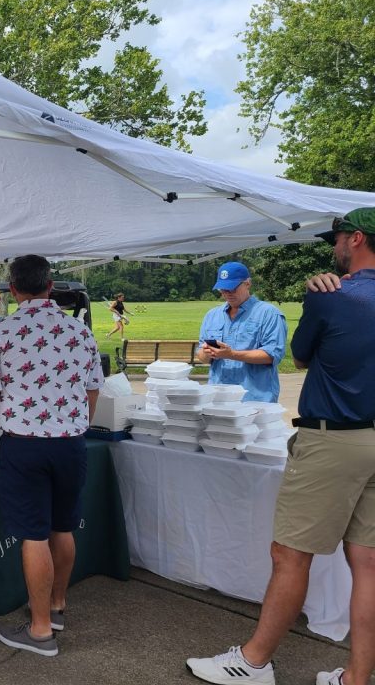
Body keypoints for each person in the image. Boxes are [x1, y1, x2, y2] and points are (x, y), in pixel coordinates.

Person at [186, 208, 375, 685]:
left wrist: (319, 294)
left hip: (333, 436)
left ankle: (252, 663)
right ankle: (357, 675)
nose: (333, 245)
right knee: (368, 562)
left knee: (290, 555)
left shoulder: (332, 297)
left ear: (355, 239)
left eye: (337, 237)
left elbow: (300, 355)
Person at [0, 255, 103, 658]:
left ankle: (40, 630)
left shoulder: (2, 332)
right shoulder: (79, 330)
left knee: (33, 534)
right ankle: (56, 606)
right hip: (71, 442)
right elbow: (93, 390)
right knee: (62, 527)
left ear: (12, 290)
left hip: (25, 443)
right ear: (51, 285)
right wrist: (74, 423)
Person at [197, 261, 287, 402]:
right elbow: (201, 357)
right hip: (218, 398)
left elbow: (272, 355)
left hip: (255, 400)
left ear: (248, 283)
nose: (227, 293)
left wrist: (231, 354)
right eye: (223, 289)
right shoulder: (212, 315)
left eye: (232, 288)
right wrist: (207, 353)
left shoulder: (269, 314)